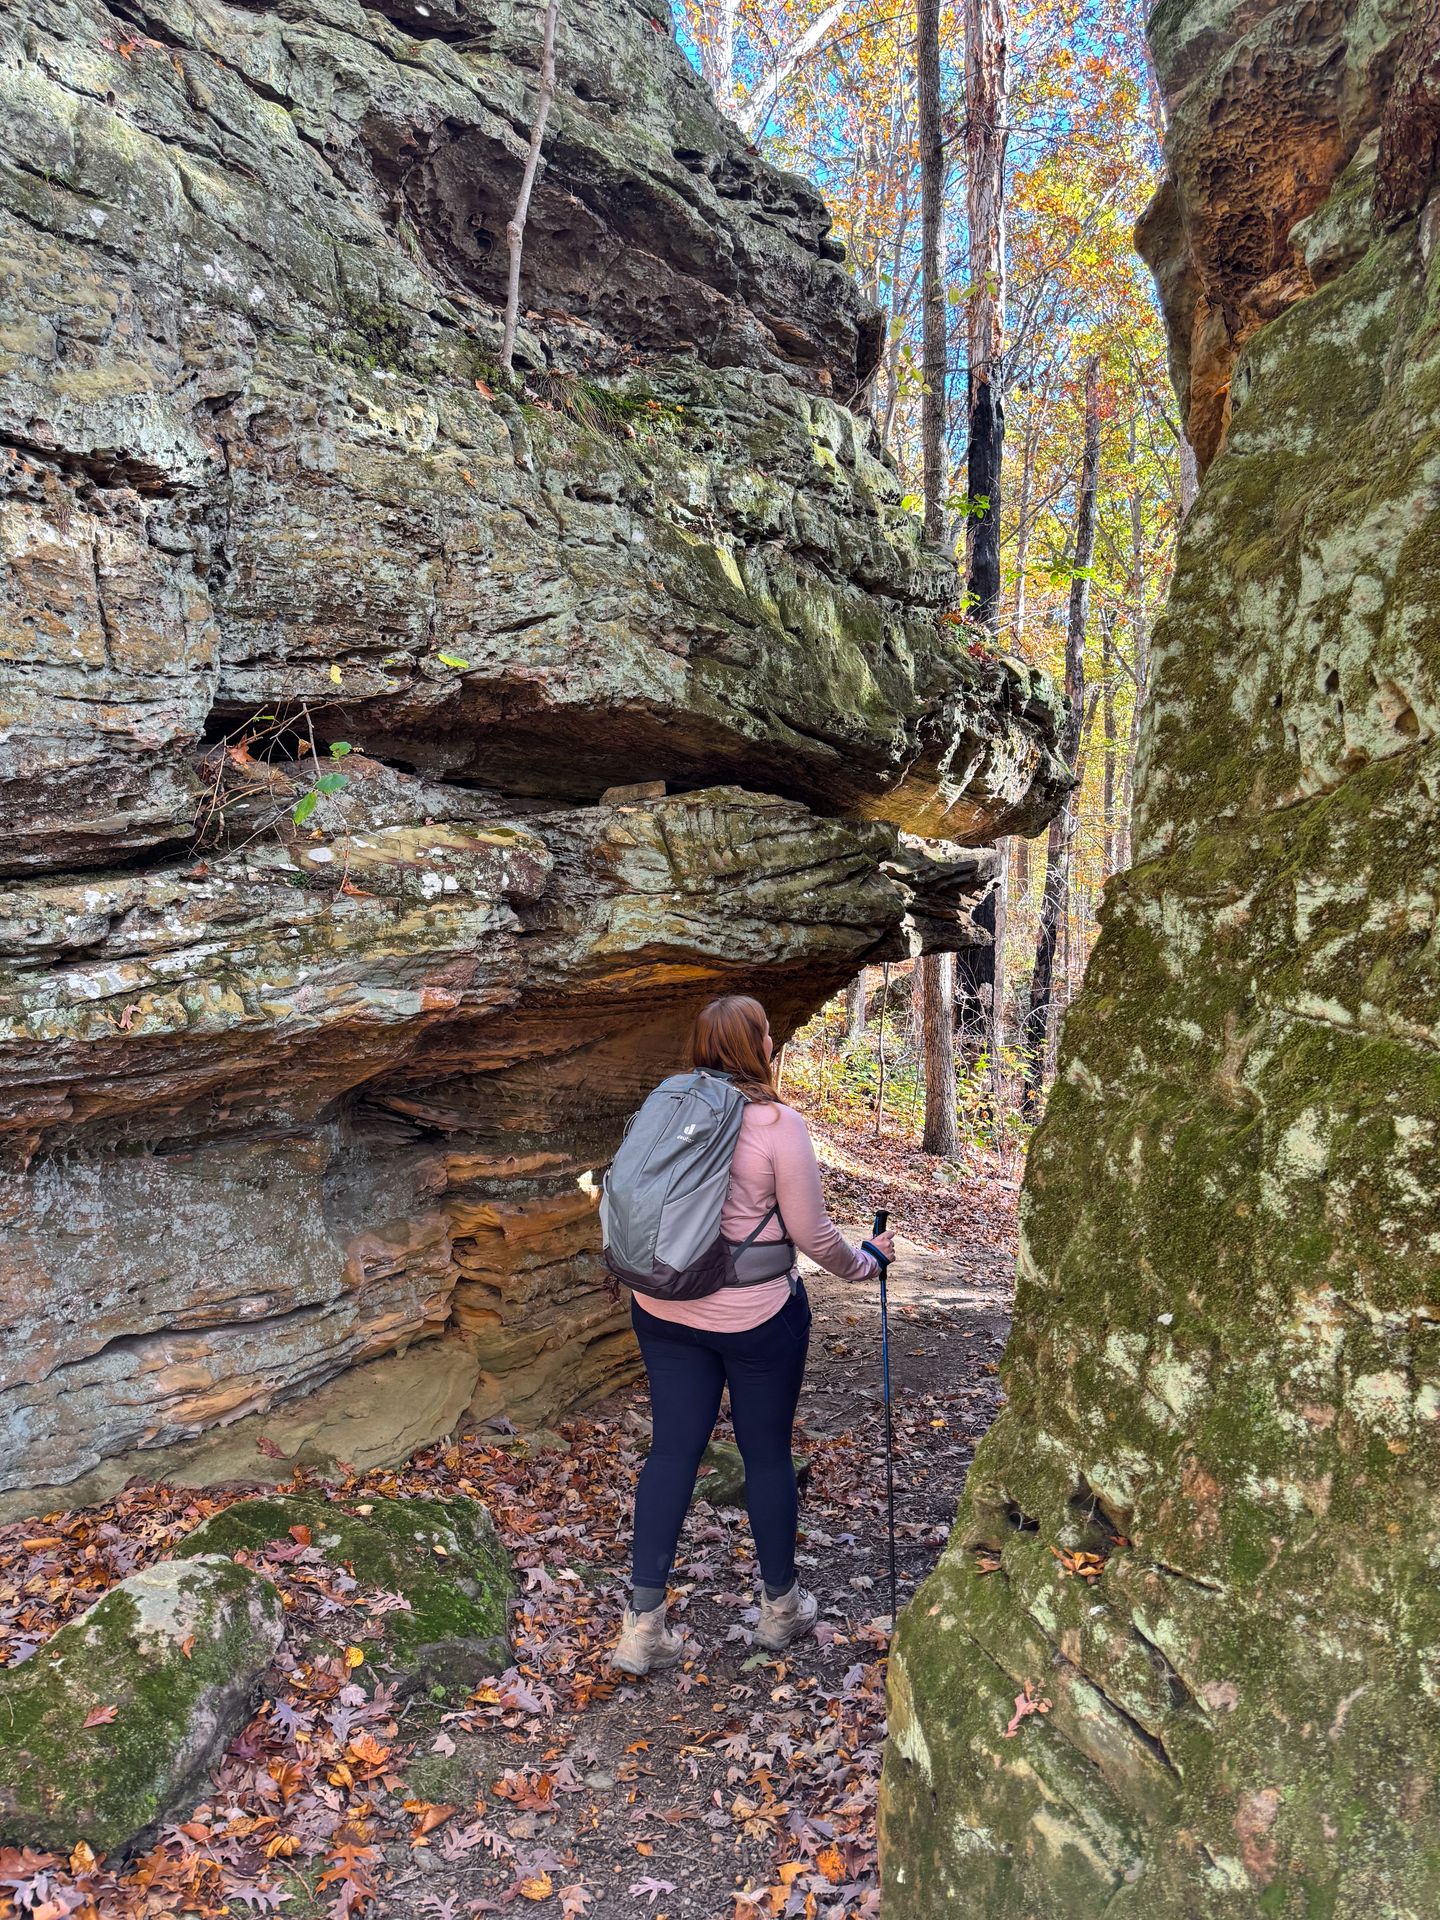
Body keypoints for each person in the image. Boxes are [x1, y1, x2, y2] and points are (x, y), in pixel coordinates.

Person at [611, 993, 896, 1677]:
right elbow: (811, 1234)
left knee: (672, 1453)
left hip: (663, 1307)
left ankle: (641, 1629)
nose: (772, 1044)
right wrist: (866, 1263)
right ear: (756, 1047)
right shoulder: (776, 1124)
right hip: (756, 1316)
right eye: (767, 1035)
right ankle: (780, 1610)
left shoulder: (665, 1105)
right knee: (765, 1454)